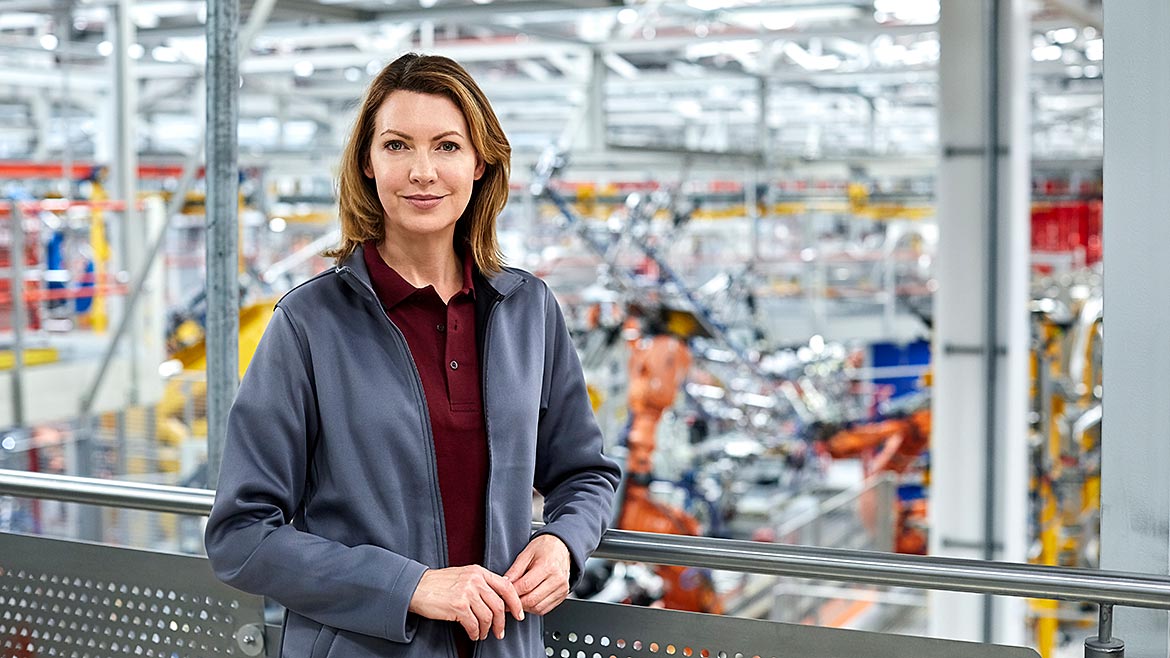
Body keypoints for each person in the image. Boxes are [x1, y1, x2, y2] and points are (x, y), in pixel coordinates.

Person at [204, 53, 621, 658]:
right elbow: (241, 537)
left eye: (447, 146)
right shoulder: (308, 325)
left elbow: (586, 473)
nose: (423, 171)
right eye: (398, 146)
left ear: (480, 163)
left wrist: (563, 544)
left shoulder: (530, 310)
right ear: (368, 165)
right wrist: (411, 586)